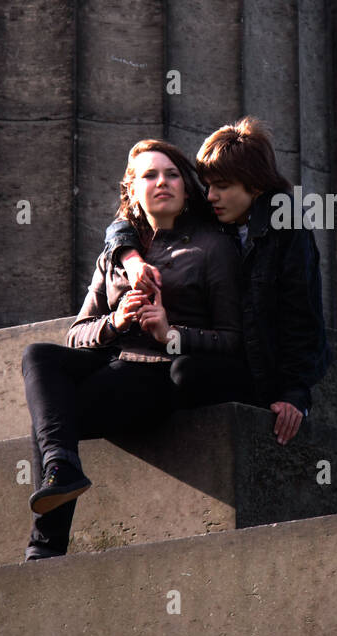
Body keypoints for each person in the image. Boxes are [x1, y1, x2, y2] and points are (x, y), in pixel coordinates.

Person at [20, 139, 245, 561]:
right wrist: (116, 322)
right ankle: (61, 468)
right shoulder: (116, 256)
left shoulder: (213, 249)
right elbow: (77, 332)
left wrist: (169, 333)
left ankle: (45, 543)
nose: (163, 182)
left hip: (158, 376)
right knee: (38, 356)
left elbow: (233, 338)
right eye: (150, 175)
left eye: (173, 174)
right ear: (132, 189)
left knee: (50, 416)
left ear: (186, 187)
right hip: (109, 365)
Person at [104, 117, 332, 446]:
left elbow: (303, 317)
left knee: (186, 375)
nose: (210, 195)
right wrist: (130, 256)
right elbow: (128, 218)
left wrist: (296, 394)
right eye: (208, 185)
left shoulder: (288, 229)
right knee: (174, 373)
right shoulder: (211, 213)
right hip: (216, 351)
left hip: (259, 369)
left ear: (254, 185)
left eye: (222, 186)